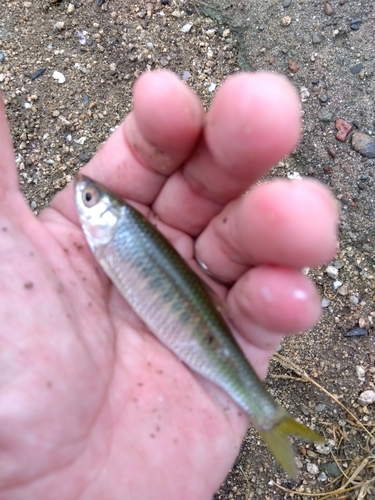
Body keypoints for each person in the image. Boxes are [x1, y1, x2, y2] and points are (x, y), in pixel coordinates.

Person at [0, 70, 337, 499]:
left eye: (89, 202)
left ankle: (267, 413)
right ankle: (267, 413)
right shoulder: (112, 237)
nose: (82, 202)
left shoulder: (115, 234)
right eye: (86, 200)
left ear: (107, 219)